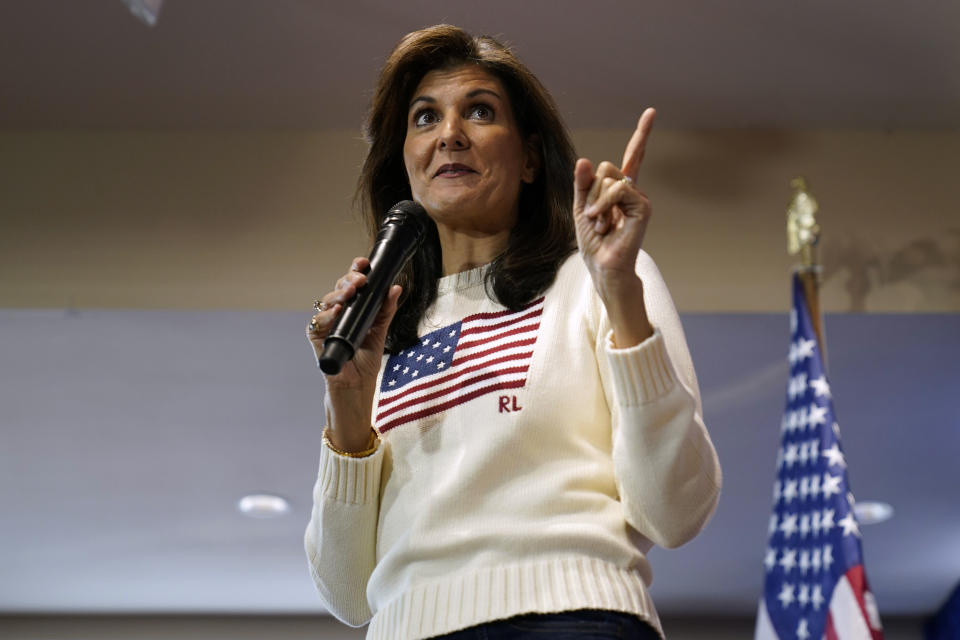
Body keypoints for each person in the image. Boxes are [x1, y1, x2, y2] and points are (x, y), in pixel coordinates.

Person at [304, 24, 721, 640]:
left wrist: (622, 297)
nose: (449, 134)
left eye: (478, 111)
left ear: (528, 157)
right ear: (405, 164)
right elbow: (346, 592)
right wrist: (348, 400)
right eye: (424, 118)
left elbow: (676, 510)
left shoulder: (593, 278)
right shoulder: (378, 330)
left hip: (575, 619)